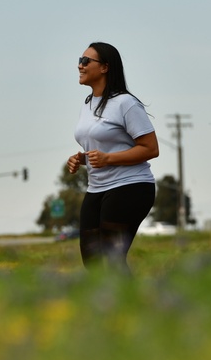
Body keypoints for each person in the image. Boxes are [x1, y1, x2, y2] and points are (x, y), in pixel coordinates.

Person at [66, 42, 159, 272]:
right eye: (80, 59)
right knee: (93, 262)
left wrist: (108, 159)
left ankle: (136, 307)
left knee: (111, 259)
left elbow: (150, 149)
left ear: (105, 67)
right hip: (97, 188)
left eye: (87, 61)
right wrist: (82, 159)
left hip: (131, 187)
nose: (80, 65)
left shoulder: (125, 103)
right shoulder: (88, 104)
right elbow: (104, 147)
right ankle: (107, 307)